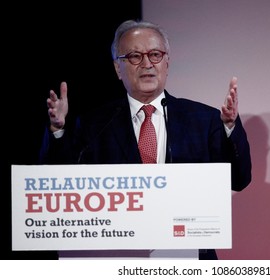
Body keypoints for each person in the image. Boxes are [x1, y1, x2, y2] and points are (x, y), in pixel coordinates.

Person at [40, 19, 252, 260]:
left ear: (167, 62)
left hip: (189, 256)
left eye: (155, 54)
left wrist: (230, 127)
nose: (147, 64)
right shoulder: (94, 125)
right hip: (115, 257)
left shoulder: (204, 119)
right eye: (134, 56)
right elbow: (60, 187)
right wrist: (58, 131)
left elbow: (239, 179)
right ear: (118, 68)